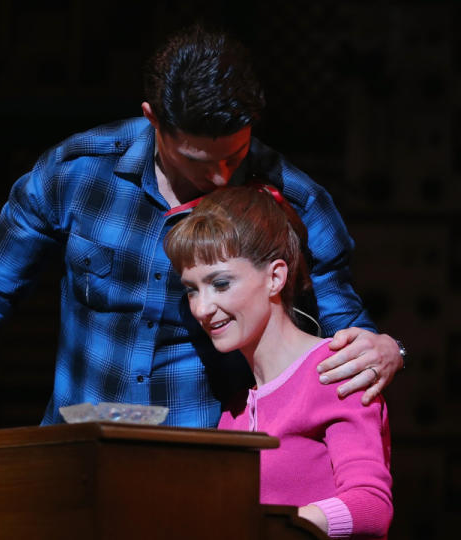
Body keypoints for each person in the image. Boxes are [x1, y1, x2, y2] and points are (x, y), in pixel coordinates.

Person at [0, 25, 404, 448]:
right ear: (152, 120)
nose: (219, 177)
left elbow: (345, 340)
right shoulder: (78, 174)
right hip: (76, 456)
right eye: (196, 159)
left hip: (211, 466)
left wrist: (386, 350)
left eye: (233, 156)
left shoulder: (293, 202)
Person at [163, 185, 392, 538]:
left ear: (275, 277)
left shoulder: (335, 369)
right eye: (192, 289)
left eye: (220, 284)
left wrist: (268, 527)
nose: (202, 309)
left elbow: (370, 507)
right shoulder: (234, 410)